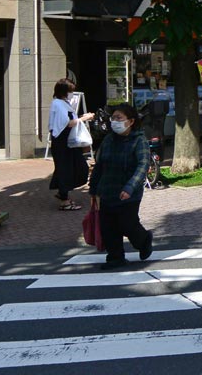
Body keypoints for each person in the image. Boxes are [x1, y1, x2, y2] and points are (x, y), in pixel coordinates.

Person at [89, 103, 153, 270]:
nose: (114, 121)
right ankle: (115, 257)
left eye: (119, 118)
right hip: (108, 190)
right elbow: (99, 165)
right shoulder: (108, 140)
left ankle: (144, 240)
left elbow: (143, 165)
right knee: (108, 225)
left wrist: (130, 187)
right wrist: (93, 190)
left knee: (127, 224)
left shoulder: (139, 140)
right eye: (113, 118)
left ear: (131, 121)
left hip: (129, 193)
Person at [47, 78, 94, 211]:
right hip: (62, 142)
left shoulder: (62, 103)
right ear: (63, 91)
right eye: (70, 91)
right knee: (66, 169)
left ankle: (63, 193)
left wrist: (80, 117)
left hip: (67, 142)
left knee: (72, 167)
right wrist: (85, 118)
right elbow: (68, 123)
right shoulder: (58, 104)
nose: (72, 94)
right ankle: (64, 200)